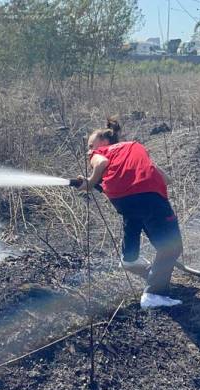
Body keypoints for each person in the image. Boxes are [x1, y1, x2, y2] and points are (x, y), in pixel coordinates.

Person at [77, 118, 183, 309]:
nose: (89, 150)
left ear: (105, 142)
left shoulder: (100, 153)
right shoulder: (132, 148)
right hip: (148, 195)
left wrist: (91, 182)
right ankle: (153, 295)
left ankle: (129, 258)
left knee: (133, 215)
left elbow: (101, 163)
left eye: (91, 145)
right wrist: (91, 181)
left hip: (124, 199)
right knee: (171, 247)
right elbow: (166, 179)